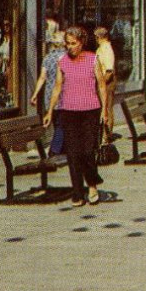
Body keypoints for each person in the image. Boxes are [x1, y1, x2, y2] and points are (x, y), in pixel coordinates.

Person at [43, 26, 108, 206]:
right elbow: (57, 87)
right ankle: (78, 193)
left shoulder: (93, 59)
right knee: (73, 154)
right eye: (67, 43)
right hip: (68, 111)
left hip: (90, 111)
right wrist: (49, 111)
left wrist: (105, 110)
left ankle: (92, 184)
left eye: (74, 43)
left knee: (87, 151)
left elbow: (102, 85)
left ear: (82, 43)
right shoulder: (62, 61)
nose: (70, 47)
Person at [31, 32, 67, 159]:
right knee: (61, 123)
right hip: (63, 93)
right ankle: (55, 150)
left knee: (58, 122)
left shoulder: (47, 58)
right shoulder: (66, 57)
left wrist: (35, 94)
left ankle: (60, 148)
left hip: (48, 95)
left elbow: (42, 77)